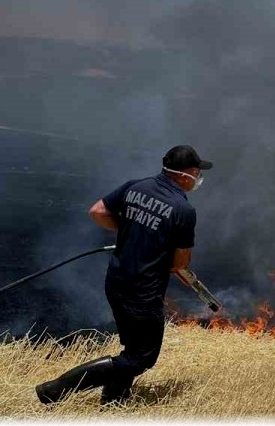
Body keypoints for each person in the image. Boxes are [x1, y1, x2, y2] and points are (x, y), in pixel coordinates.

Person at [36, 145, 210, 406]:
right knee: (141, 358)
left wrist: (131, 231)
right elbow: (180, 261)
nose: (197, 179)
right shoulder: (183, 210)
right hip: (143, 293)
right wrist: (161, 250)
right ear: (187, 174)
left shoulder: (135, 187)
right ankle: (56, 389)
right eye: (197, 173)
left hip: (116, 282)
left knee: (131, 349)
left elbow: (97, 211)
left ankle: (114, 400)